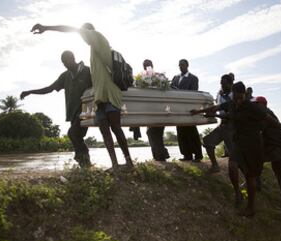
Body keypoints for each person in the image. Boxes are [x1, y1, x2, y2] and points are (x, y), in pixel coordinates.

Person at [31, 23, 134, 170]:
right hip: (99, 98)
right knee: (105, 132)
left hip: (110, 94)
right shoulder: (93, 51)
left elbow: (70, 29)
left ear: (88, 31)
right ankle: (115, 164)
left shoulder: (97, 38)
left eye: (84, 33)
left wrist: (46, 28)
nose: (83, 38)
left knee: (116, 128)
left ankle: (129, 161)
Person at [191, 82, 281, 217]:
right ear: (233, 95)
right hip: (238, 143)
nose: (238, 100)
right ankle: (237, 193)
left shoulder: (253, 108)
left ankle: (251, 207)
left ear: (244, 95)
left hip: (252, 145)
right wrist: (199, 112)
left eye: (241, 97)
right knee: (232, 165)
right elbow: (217, 108)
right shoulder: (231, 105)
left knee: (250, 176)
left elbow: (272, 121)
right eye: (236, 97)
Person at [20, 51, 92, 168]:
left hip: (87, 110)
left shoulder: (87, 71)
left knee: (73, 133)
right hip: (73, 113)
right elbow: (50, 88)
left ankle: (84, 161)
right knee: (76, 136)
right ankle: (86, 164)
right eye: (63, 62)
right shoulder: (65, 76)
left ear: (73, 58)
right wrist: (30, 91)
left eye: (66, 61)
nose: (65, 64)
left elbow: (98, 87)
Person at [255, 96, 281, 217]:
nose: (254, 106)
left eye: (256, 104)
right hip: (276, 150)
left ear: (262, 105)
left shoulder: (265, 114)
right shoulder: (267, 113)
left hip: (280, 151)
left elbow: (261, 131)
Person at [170, 59, 202, 162]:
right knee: (180, 132)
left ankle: (198, 155)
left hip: (188, 108)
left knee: (191, 131)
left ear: (187, 65)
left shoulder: (193, 78)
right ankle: (186, 155)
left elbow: (194, 93)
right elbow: (170, 90)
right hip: (177, 109)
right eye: (179, 65)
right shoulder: (175, 78)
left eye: (182, 65)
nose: (180, 67)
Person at [202, 74, 233, 172]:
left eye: (224, 84)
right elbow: (217, 107)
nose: (222, 86)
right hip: (223, 124)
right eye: (221, 84)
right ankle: (215, 166)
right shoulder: (219, 94)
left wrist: (214, 115)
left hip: (233, 126)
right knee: (207, 141)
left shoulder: (235, 95)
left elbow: (231, 114)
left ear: (231, 84)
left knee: (235, 156)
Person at [143, 59, 170, 161]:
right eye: (145, 65)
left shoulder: (159, 76)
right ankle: (159, 155)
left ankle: (160, 155)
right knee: (152, 132)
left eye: (148, 65)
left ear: (152, 65)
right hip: (149, 108)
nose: (147, 67)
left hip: (159, 107)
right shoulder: (143, 77)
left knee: (156, 132)